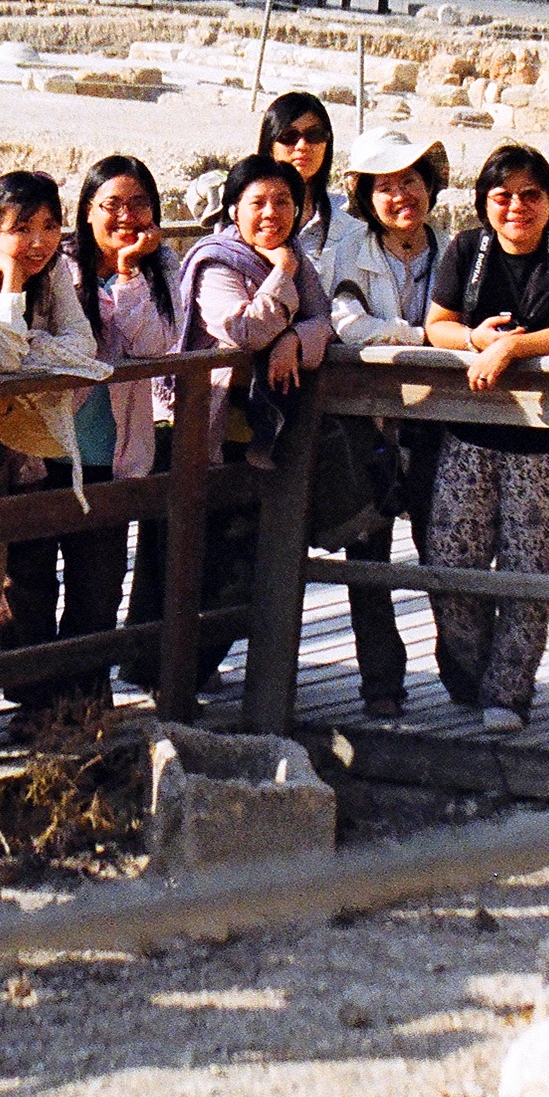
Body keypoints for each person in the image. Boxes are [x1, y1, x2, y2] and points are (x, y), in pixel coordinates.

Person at [127, 156, 336, 699]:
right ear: (233, 209)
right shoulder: (218, 261)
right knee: (179, 555)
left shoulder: (294, 262)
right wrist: (283, 275)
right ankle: (160, 674)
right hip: (198, 428)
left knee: (237, 559)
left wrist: (293, 342)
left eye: (285, 202)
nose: (272, 213)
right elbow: (243, 328)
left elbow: (323, 323)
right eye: (259, 203)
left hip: (252, 432)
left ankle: (187, 667)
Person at [422, 143, 549, 734]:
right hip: (470, 433)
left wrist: (513, 346)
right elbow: (436, 324)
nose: (517, 207)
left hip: (548, 443)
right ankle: (468, 677)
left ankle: (510, 692)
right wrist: (477, 340)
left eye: (531, 195)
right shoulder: (465, 249)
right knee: (452, 561)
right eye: (503, 196)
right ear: (483, 204)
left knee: (532, 571)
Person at [0, 172, 114, 728]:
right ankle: (17, 697)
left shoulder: (54, 270)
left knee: (55, 569)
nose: (39, 242)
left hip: (34, 435)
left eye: (49, 226)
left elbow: (84, 348)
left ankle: (54, 698)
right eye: (22, 229)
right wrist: (11, 287)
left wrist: (23, 333)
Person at [23, 156, 179, 687]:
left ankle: (84, 696)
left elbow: (155, 346)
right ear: (87, 212)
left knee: (99, 582)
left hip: (112, 451)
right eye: (111, 204)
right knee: (31, 578)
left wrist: (132, 271)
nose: (125, 216)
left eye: (139, 204)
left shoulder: (163, 268)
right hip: (45, 445)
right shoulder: (57, 266)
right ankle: (36, 701)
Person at [318, 130, 451, 717]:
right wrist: (428, 338)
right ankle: (382, 683)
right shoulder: (349, 253)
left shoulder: (454, 253)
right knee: (368, 556)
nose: (402, 197)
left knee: (443, 547)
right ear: (366, 196)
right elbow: (347, 323)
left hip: (441, 424)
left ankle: (462, 669)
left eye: (411, 183)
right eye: (387, 186)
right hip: (368, 425)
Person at [258, 90, 339, 262]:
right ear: (269, 143)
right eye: (288, 136)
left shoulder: (347, 215)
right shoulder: (245, 211)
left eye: (314, 135)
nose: (302, 146)